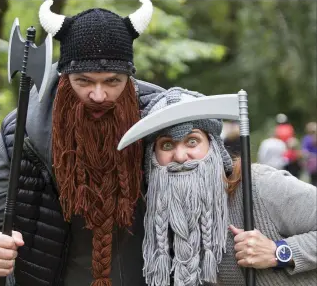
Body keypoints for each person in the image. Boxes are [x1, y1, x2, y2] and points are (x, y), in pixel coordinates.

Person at [0, 0, 165, 286]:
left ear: (129, 77)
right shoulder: (21, 133)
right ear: (64, 77)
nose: (98, 95)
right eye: (84, 81)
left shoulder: (163, 125)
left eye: (112, 81)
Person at [128, 88, 316, 285]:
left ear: (214, 147)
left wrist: (279, 252)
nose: (180, 156)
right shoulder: (157, 219)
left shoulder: (259, 185)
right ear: (152, 157)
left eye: (192, 141)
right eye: (166, 145)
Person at [301, 122, 317, 186]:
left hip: (311, 161)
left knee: (312, 181)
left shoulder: (306, 138)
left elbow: (304, 151)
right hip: (312, 161)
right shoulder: (307, 138)